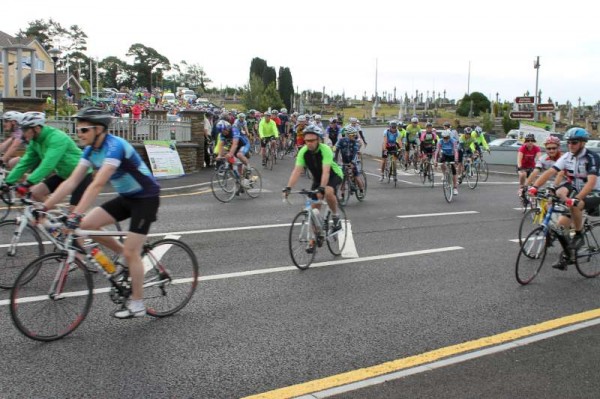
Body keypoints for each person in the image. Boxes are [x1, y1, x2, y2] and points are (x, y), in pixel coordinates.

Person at [39, 107, 161, 318]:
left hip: (146, 198)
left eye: (84, 129)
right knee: (86, 226)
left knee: (132, 252)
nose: (80, 133)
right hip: (127, 197)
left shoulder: (115, 146)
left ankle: (138, 303)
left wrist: (75, 214)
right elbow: (71, 182)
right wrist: (45, 206)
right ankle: (124, 255)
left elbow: (97, 184)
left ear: (99, 129)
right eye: (78, 129)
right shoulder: (90, 151)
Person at [528, 128, 600, 269]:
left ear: (582, 143)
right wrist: (534, 187)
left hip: (595, 191)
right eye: (568, 143)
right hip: (578, 190)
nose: (571, 145)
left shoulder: (591, 158)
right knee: (561, 226)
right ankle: (569, 255)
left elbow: (591, 182)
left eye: (574, 142)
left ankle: (579, 235)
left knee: (574, 205)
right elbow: (550, 172)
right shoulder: (567, 157)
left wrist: (576, 199)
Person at [2, 111, 93, 204]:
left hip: (81, 174)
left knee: (74, 213)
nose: (23, 133)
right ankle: (52, 216)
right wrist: (8, 182)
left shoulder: (56, 138)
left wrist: (28, 183)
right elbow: (25, 162)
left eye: (25, 130)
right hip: (63, 174)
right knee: (36, 193)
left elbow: (48, 164)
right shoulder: (35, 142)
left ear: (36, 128)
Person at [283, 125, 344, 236]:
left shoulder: (325, 149)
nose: (309, 143)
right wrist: (288, 188)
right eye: (306, 141)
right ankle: (315, 238)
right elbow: (296, 171)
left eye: (312, 140)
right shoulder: (303, 152)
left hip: (333, 175)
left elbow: (326, 172)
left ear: (318, 140)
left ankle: (336, 217)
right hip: (317, 178)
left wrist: (322, 188)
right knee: (312, 209)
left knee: (328, 191)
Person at [335, 126, 364, 195]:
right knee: (343, 177)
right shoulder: (341, 140)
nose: (354, 136)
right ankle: (342, 192)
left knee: (355, 175)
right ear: (347, 134)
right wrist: (335, 160)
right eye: (352, 135)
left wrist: (352, 162)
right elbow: (337, 150)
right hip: (344, 161)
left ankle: (361, 189)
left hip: (353, 160)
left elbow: (355, 153)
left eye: (354, 134)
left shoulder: (355, 142)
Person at [434, 130, 459, 195]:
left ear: (449, 137)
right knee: (442, 163)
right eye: (444, 137)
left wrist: (456, 160)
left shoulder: (453, 141)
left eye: (447, 137)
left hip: (452, 155)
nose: (445, 139)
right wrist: (435, 161)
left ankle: (455, 188)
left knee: (454, 171)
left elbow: (456, 150)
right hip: (445, 155)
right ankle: (444, 174)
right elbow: (437, 151)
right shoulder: (440, 141)